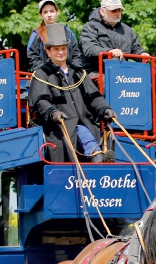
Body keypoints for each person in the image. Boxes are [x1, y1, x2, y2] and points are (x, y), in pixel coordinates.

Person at [29, 24, 116, 163]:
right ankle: (99, 162)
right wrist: (53, 112)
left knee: (95, 133)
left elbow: (93, 96)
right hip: (59, 126)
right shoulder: (42, 74)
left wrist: (105, 109)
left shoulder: (78, 72)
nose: (61, 52)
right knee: (84, 134)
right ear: (48, 52)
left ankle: (100, 162)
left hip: (84, 121)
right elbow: (41, 101)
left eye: (63, 48)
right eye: (56, 49)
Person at [80, 0, 149, 74]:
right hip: (96, 72)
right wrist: (110, 52)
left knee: (142, 79)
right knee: (111, 82)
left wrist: (142, 54)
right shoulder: (90, 27)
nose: (117, 13)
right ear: (102, 11)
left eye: (120, 10)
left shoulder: (127, 29)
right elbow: (89, 49)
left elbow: (135, 48)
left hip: (121, 72)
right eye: (114, 10)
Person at [27, 0, 84, 73]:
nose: (49, 15)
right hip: (45, 74)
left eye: (52, 11)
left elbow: (76, 54)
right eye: (45, 12)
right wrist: (46, 71)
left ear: (57, 12)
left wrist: (72, 71)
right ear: (41, 15)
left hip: (69, 74)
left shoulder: (67, 32)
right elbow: (33, 57)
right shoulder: (36, 34)